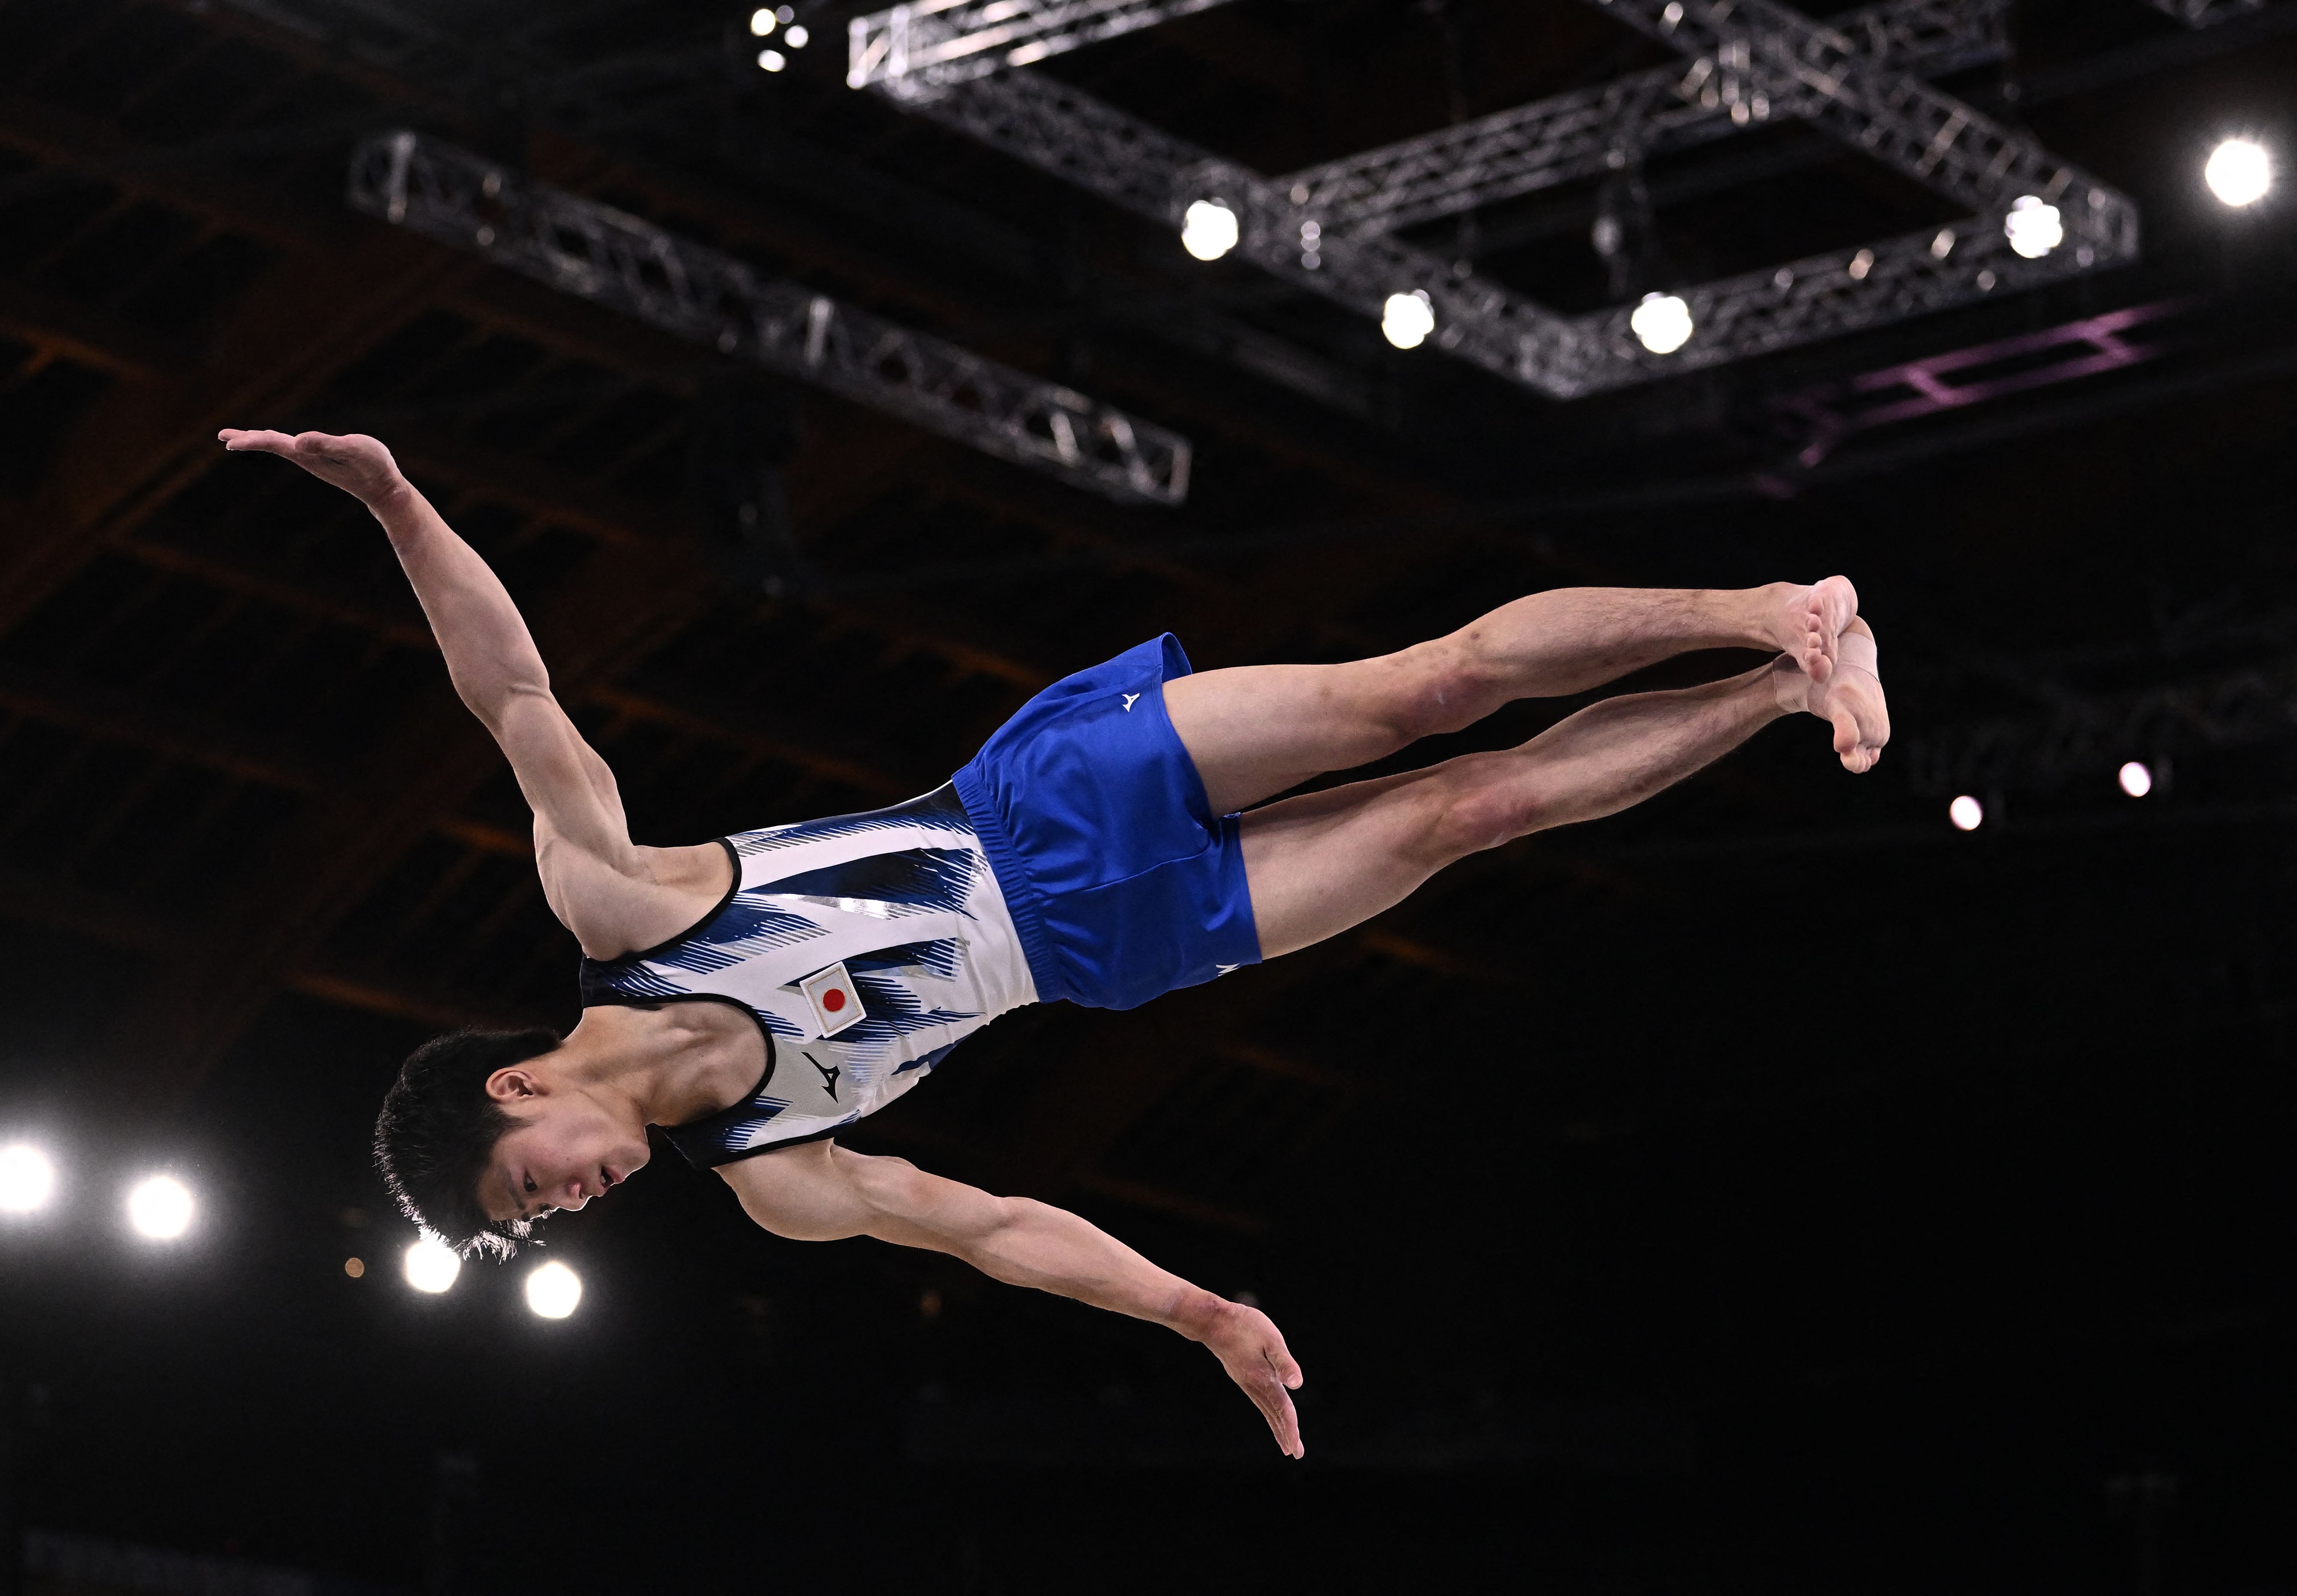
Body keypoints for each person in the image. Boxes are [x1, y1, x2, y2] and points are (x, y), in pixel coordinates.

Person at [218, 427, 1888, 1459]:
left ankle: (1773, 609)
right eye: (544, 1222)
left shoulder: (622, 909)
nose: (570, 1203)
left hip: (1037, 809)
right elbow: (1003, 1229)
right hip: (1105, 948)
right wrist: (1201, 1316)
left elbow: (513, 696)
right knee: (1471, 814)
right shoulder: (776, 1174)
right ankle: (1787, 684)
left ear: (514, 1082)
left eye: (528, 1182)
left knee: (1423, 692)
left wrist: (393, 499)